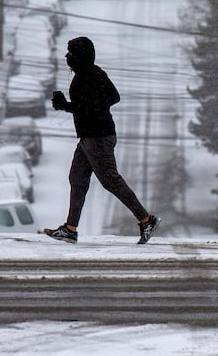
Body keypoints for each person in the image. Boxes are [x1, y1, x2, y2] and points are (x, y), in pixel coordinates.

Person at [43, 36, 161, 244]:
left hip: (98, 137)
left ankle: (146, 220)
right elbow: (105, 100)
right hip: (91, 137)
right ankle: (70, 229)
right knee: (77, 179)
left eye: (70, 53)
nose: (66, 56)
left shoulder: (88, 76)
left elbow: (98, 103)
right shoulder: (92, 73)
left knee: (110, 181)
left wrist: (67, 105)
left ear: (80, 56)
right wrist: (71, 105)